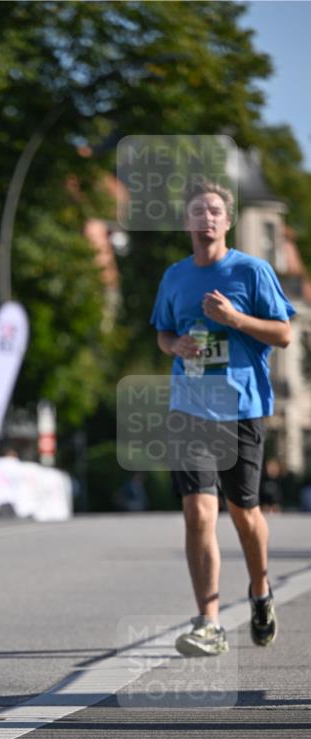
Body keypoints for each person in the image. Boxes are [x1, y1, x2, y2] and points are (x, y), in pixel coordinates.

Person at [151, 178, 295, 656]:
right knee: (198, 511)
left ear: (228, 221)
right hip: (189, 406)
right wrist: (175, 345)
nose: (206, 218)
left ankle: (260, 591)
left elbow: (283, 334)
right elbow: (163, 333)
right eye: (198, 211)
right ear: (186, 222)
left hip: (241, 409)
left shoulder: (251, 272)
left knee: (244, 513)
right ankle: (208, 622)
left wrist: (234, 319)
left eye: (215, 210)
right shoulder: (175, 277)